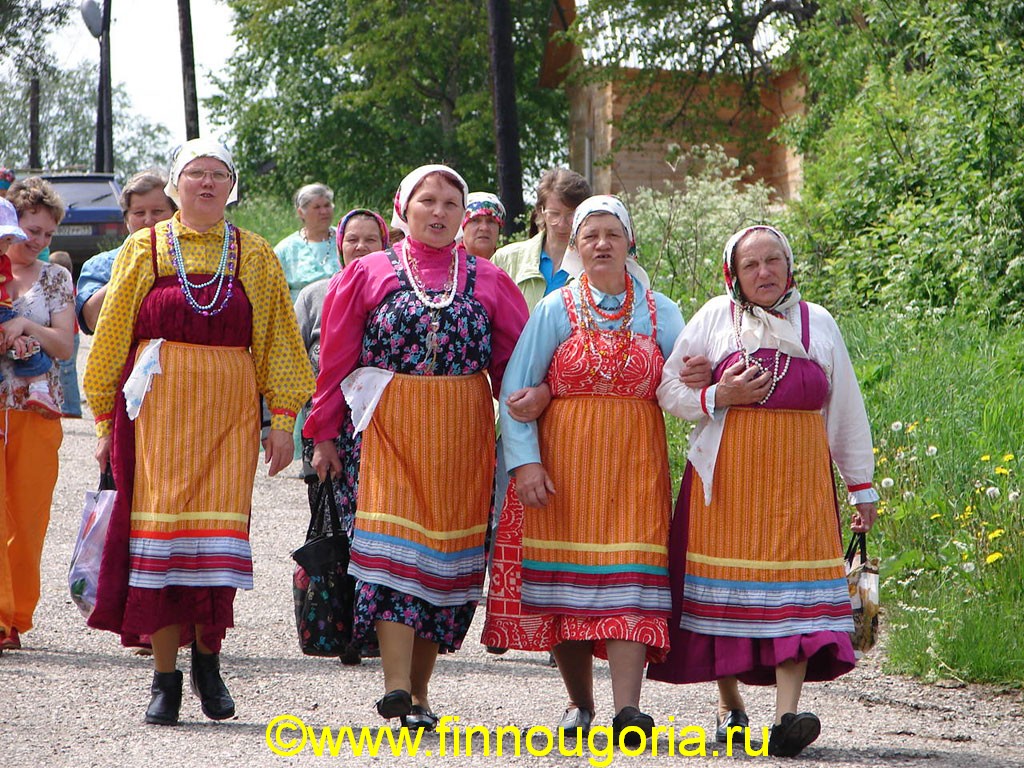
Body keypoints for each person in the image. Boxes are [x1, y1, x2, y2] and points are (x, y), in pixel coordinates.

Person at [82, 138, 314, 726]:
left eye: (218, 175)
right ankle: (164, 678)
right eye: (195, 174)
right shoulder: (143, 249)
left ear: (231, 187)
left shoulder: (256, 254)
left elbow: (280, 345)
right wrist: (106, 421)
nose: (206, 184)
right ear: (175, 185)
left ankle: (209, 662)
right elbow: (111, 338)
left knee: (214, 548)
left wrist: (282, 421)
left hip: (229, 421)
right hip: (156, 419)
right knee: (160, 546)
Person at [305, 164, 529, 730]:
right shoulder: (367, 273)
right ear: (402, 208)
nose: (438, 211)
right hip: (386, 432)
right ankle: (396, 687)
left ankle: (422, 696)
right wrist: (323, 435)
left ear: (463, 213)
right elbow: (335, 361)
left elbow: (515, 364)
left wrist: (532, 431)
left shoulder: (488, 279)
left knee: (444, 566)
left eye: (451, 203)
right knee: (390, 554)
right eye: (427, 201)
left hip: (462, 437)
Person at [647, 225, 879, 758]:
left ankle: (786, 718)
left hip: (800, 485)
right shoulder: (713, 318)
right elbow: (668, 388)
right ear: (734, 274)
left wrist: (860, 485)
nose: (764, 273)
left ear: (789, 266)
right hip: (727, 483)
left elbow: (845, 410)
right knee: (722, 596)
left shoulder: (818, 323)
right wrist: (717, 394)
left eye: (773, 261)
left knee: (793, 598)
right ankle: (731, 706)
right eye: (751, 265)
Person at [480, 195, 695, 746]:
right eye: (590, 235)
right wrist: (524, 463)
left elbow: (681, 383)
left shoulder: (661, 311)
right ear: (575, 246)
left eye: (611, 234)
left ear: (629, 244)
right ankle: (580, 704)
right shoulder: (556, 307)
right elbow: (517, 389)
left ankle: (630, 711)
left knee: (632, 584)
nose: (601, 244)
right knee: (564, 590)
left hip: (633, 468)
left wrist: (702, 373)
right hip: (563, 471)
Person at [293, 208, 389, 665]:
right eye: (353, 239)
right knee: (333, 525)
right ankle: (335, 625)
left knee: (377, 526)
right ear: (338, 244)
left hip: (383, 426)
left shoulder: (395, 295)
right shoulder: (316, 294)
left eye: (372, 240)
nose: (361, 247)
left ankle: (374, 628)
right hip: (328, 425)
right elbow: (297, 359)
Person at [0, 177, 75, 652]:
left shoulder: (56, 278)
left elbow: (66, 345)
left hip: (37, 408)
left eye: (48, 234)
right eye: (30, 229)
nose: (38, 241)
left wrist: (26, 324)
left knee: (28, 518)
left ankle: (15, 614)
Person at [77, 171, 177, 335]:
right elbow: (92, 321)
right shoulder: (101, 265)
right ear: (126, 219)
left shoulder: (189, 259)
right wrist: (133, 265)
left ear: (175, 214)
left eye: (158, 211)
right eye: (139, 213)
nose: (149, 220)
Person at [492, 168, 591, 312]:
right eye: (554, 214)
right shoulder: (505, 260)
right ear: (540, 211)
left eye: (572, 215)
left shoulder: (594, 265)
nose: (562, 224)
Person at [274, 183, 339, 303]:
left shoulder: (345, 239)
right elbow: (275, 293)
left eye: (327, 205)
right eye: (317, 207)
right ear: (301, 212)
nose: (324, 211)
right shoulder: (286, 250)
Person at [47, 250, 82, 418]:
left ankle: (72, 407)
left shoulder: (67, 288)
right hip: (68, 335)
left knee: (67, 371)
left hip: (70, 335)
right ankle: (65, 404)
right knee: (64, 370)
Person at [460, 192, 505, 260]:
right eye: (475, 220)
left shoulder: (510, 264)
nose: (484, 228)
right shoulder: (449, 265)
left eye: (491, 221)